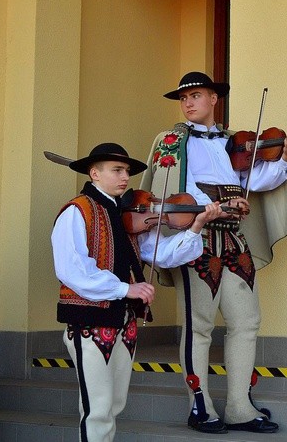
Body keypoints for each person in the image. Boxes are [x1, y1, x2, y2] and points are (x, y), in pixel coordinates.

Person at [140, 72, 287, 434]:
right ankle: (200, 406)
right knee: (198, 326)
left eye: (195, 95)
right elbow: (165, 192)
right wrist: (211, 205)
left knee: (246, 321)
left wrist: (286, 156)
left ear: (214, 99)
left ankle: (240, 406)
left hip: (233, 240)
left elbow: (257, 181)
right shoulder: (169, 140)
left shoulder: (234, 142)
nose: (188, 103)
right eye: (184, 98)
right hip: (193, 237)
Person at [52, 142, 221, 442]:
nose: (124, 177)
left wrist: (196, 226)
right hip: (89, 323)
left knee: (114, 405)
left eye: (127, 171)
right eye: (117, 170)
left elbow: (163, 254)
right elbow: (73, 269)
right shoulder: (77, 211)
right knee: (98, 408)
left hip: (123, 322)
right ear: (94, 173)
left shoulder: (127, 215)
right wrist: (125, 288)